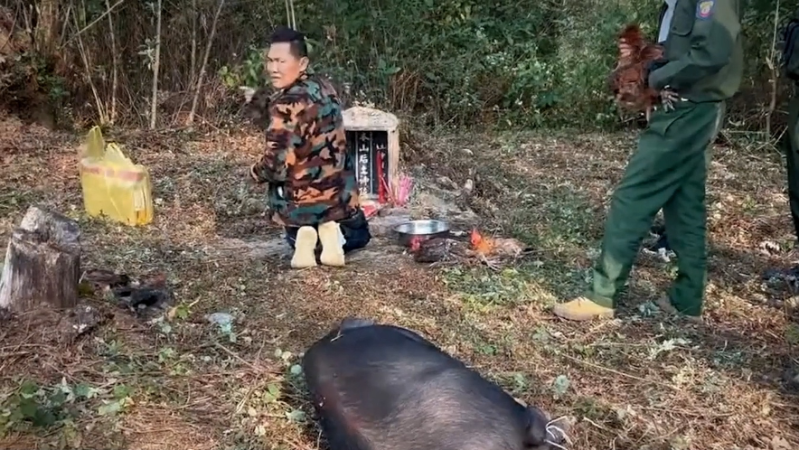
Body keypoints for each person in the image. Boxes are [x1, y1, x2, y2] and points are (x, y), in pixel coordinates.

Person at [553, 0, 743, 322]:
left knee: (633, 196)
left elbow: (711, 53)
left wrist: (657, 77)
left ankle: (602, 295)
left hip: (689, 110)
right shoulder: (675, 4)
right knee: (685, 204)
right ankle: (687, 299)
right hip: (682, 107)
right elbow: (677, 49)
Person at [249, 26, 371, 269]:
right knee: (360, 237)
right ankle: (333, 234)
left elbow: (275, 166)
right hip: (341, 204)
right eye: (270, 61)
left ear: (302, 63)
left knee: (297, 233)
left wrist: (255, 172)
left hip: (301, 209)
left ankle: (307, 238)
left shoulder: (285, 105)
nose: (273, 68)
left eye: (281, 61)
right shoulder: (326, 87)